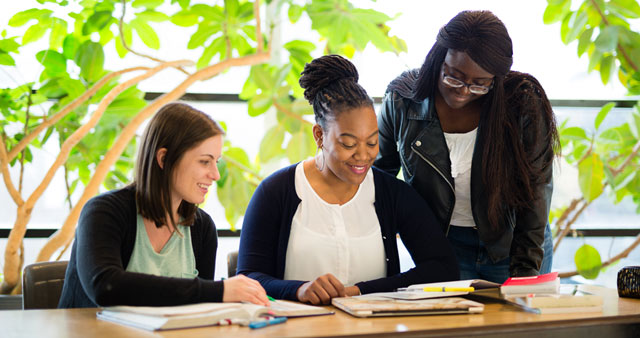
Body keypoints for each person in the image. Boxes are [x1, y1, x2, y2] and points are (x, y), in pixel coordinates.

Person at [237, 55, 459, 305]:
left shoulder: (391, 193)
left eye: (372, 142)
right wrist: (299, 290)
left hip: (373, 329)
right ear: (320, 136)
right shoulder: (276, 191)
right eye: (349, 144)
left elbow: (443, 268)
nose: (363, 156)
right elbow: (247, 277)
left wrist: (360, 290)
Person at [375, 10, 559, 283]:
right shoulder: (402, 100)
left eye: (479, 84)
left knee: (515, 325)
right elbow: (380, 177)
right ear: (439, 59)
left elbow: (536, 192)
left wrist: (524, 276)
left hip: (515, 246)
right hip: (444, 248)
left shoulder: (522, 104)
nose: (462, 91)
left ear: (495, 79)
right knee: (453, 326)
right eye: (453, 76)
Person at [59, 102, 269, 308]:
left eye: (216, 161)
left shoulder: (202, 228)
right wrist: (219, 291)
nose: (215, 174)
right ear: (164, 158)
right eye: (205, 161)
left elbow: (198, 310)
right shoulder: (104, 212)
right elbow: (105, 287)